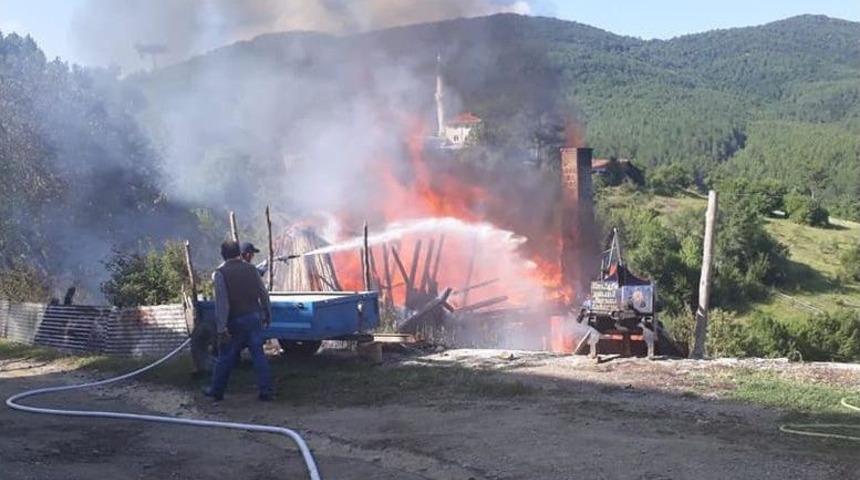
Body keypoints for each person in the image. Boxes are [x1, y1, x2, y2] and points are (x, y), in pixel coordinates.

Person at [206, 240, 274, 401]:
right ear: (238, 252)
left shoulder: (220, 273)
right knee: (259, 355)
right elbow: (263, 293)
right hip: (254, 318)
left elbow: (222, 303)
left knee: (226, 357)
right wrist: (267, 313)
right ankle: (266, 392)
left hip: (235, 320)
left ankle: (216, 391)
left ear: (223, 254)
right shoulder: (251, 269)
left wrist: (221, 328)